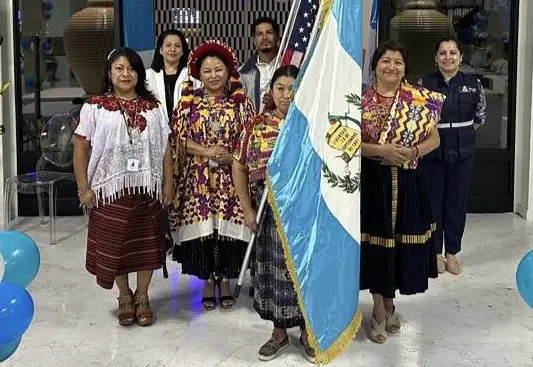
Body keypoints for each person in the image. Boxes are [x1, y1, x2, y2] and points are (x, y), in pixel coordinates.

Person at [73, 47, 174, 327]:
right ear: (109, 73)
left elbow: (165, 148)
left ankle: (142, 296)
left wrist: (168, 183)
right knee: (114, 246)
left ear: (139, 73)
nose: (125, 73)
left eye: (130, 68)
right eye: (119, 68)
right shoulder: (94, 107)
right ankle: (124, 296)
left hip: (146, 189)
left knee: (146, 247)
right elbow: (80, 146)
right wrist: (84, 188)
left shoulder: (153, 108)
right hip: (110, 190)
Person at [360, 40, 445, 343]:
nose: (391, 66)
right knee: (378, 245)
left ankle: (390, 301)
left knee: (401, 247)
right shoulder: (359, 101)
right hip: (374, 182)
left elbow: (434, 139)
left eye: (397, 62)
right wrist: (380, 150)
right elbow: (347, 142)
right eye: (385, 61)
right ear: (375, 66)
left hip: (409, 182)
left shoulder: (418, 100)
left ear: (405, 68)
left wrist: (412, 151)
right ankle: (378, 310)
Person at [232, 64, 315, 363]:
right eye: (280, 88)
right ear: (270, 92)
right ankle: (279, 333)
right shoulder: (256, 126)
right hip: (269, 213)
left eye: (292, 88)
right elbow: (239, 165)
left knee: (304, 272)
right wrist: (247, 208)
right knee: (273, 274)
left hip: (306, 215)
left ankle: (308, 332)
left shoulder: (313, 125)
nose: (286, 95)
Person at [169, 40, 255, 310]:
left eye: (219, 69)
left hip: (233, 178)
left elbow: (253, 139)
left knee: (227, 233)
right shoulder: (188, 105)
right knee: (206, 232)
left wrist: (233, 157)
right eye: (207, 71)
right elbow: (178, 139)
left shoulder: (242, 105)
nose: (213, 75)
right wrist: (206, 151)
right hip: (199, 179)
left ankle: (226, 280)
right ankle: (207, 280)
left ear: (229, 71)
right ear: (198, 74)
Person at [418, 37, 487, 275]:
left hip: (463, 153)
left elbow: (480, 117)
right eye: (443, 53)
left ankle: (453, 253)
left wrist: (460, 135)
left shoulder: (473, 84)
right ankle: (435, 252)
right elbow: (418, 119)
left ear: (461, 57)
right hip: (433, 153)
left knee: (457, 202)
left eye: (453, 53)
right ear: (435, 58)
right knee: (434, 202)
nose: (448, 57)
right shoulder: (424, 84)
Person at [146, 29, 191, 122]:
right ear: (161, 50)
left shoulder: (191, 76)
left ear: (183, 51)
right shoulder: (148, 76)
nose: (173, 49)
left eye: (177, 46)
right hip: (158, 130)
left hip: (186, 130)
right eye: (168, 45)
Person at [239, 16, 280, 112]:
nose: (264, 37)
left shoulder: (289, 64)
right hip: (255, 125)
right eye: (259, 34)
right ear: (254, 40)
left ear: (277, 36)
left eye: (269, 32)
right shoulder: (243, 73)